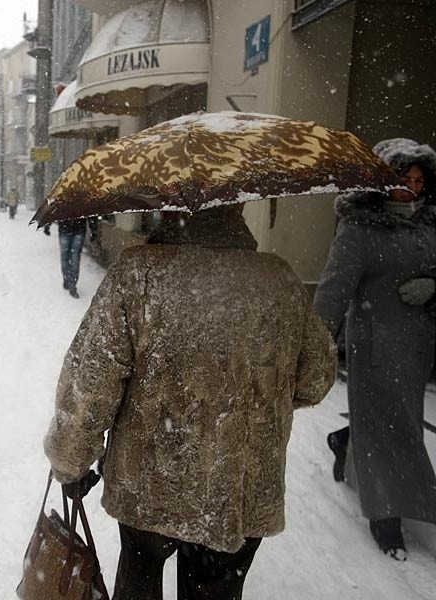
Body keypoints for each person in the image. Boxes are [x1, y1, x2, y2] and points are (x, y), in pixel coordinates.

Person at [44, 205, 336, 600]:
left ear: (167, 207)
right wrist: (253, 400)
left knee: (139, 579)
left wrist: (69, 460)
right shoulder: (278, 278)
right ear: (239, 206)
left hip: (149, 483)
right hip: (239, 485)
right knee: (217, 587)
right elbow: (317, 376)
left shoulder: (139, 274)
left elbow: (90, 384)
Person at [313, 138, 436, 561]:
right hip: (372, 347)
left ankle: (344, 442)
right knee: (387, 428)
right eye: (404, 179)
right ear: (383, 178)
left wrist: (434, 288)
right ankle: (386, 517)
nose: (412, 189)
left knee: (404, 422)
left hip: (417, 347)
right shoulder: (361, 228)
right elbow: (332, 291)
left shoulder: (429, 225)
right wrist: (314, 345)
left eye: (419, 181)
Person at [45, 217, 98, 298]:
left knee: (74, 258)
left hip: (78, 231)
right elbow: (54, 211)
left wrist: (93, 229)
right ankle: (67, 280)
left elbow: (90, 212)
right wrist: (47, 225)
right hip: (65, 230)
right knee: (65, 258)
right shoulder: (62, 204)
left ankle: (72, 285)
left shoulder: (82, 204)